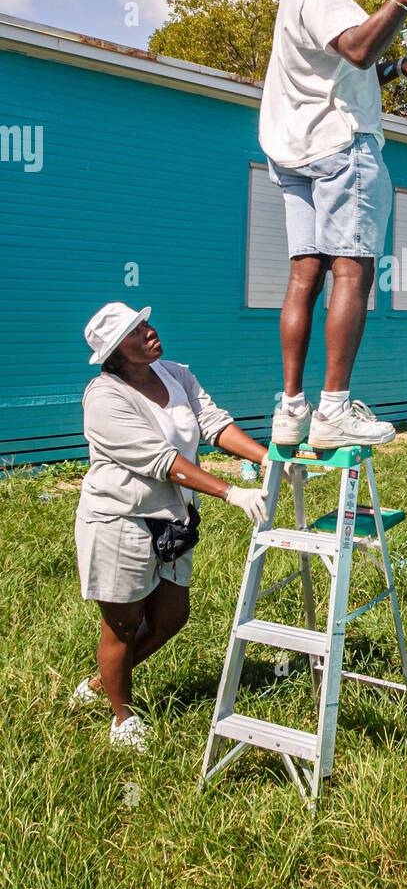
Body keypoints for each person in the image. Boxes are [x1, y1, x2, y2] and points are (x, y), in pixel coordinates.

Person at [259, 0, 407, 449]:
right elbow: (360, 48)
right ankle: (335, 409)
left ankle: (292, 408)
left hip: (295, 147)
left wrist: (393, 75)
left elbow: (340, 69)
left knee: (304, 274)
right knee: (353, 269)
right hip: (341, 146)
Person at [71, 302, 272, 751]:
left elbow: (213, 424)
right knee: (123, 625)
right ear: (116, 352)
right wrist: (230, 492)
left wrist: (266, 458)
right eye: (135, 332)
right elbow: (160, 461)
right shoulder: (105, 397)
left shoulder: (175, 373)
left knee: (171, 617)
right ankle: (122, 718)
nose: (149, 332)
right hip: (119, 519)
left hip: (173, 519)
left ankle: (102, 682)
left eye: (146, 324)